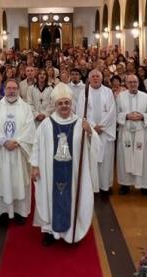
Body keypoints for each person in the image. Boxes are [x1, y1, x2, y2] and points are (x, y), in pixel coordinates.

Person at [31, 82, 99, 246]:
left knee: (74, 195)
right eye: (60, 103)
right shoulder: (46, 124)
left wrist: (89, 131)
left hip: (74, 172)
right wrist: (34, 165)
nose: (64, 106)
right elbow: (37, 145)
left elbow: (94, 145)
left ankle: (71, 232)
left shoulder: (79, 123)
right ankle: (49, 231)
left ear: (71, 104)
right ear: (55, 105)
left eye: (67, 103)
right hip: (50, 172)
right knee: (48, 196)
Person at [0, 78, 36, 225]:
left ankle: (20, 212)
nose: (11, 91)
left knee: (19, 181)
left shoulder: (26, 108)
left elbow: (29, 130)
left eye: (14, 88)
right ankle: (0, 213)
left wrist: (18, 141)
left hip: (19, 152)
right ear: (4, 90)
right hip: (1, 151)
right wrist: (3, 141)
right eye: (9, 88)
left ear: (19, 90)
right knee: (2, 181)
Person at [75, 69, 116, 195]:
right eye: (93, 76)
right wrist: (92, 128)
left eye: (98, 76)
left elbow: (112, 111)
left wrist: (101, 127)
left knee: (106, 161)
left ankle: (105, 186)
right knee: (92, 160)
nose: (95, 78)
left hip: (105, 132)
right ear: (88, 78)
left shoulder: (108, 92)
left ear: (102, 78)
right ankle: (92, 186)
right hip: (90, 133)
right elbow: (81, 112)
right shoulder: (84, 93)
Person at [116, 74, 147, 196]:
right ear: (126, 84)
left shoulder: (145, 97)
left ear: (138, 83)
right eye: (130, 82)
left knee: (143, 159)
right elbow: (115, 114)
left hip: (141, 132)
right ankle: (125, 184)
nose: (133, 84)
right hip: (126, 132)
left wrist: (143, 116)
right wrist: (126, 116)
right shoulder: (120, 97)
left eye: (135, 82)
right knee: (124, 158)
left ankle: (144, 185)